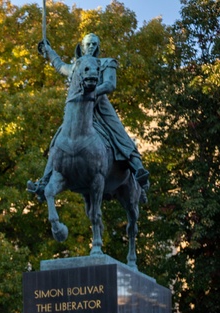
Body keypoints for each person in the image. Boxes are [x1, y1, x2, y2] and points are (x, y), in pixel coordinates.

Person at [27, 32, 150, 200]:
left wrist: (90, 92)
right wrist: (48, 51)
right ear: (82, 47)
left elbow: (109, 84)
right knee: (58, 140)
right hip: (79, 109)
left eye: (94, 44)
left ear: (98, 47)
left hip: (100, 105)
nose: (91, 46)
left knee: (119, 133)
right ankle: (44, 182)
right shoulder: (77, 66)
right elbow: (59, 65)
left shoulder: (106, 63)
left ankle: (138, 170)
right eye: (88, 44)